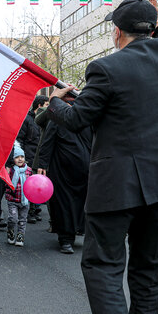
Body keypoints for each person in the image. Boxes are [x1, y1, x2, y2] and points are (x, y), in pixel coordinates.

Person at [46, 0, 158, 314]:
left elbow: (76, 119)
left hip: (117, 184)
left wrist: (53, 100)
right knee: (149, 272)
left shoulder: (106, 68)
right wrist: (156, 21)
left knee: (103, 268)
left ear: (117, 32)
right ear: (152, 29)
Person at [37, 100, 92, 254]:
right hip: (62, 172)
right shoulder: (57, 120)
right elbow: (47, 142)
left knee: (82, 204)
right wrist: (43, 164)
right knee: (63, 205)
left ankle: (77, 230)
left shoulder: (88, 120)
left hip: (85, 172)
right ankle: (65, 239)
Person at [18, 95, 48, 224]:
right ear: (39, 106)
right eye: (47, 104)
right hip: (29, 156)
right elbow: (20, 139)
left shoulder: (46, 119)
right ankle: (29, 212)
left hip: (40, 156)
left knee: (39, 185)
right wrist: (21, 157)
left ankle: (35, 208)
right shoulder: (27, 120)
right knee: (29, 185)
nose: (49, 107)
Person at [5, 144, 32, 247]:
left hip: (25, 200)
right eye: (17, 157)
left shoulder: (28, 170)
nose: (20, 159)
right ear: (13, 159)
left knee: (22, 220)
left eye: (22, 157)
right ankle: (10, 230)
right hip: (13, 200)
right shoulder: (11, 170)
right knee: (13, 218)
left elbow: (32, 184)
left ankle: (20, 236)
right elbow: (6, 183)